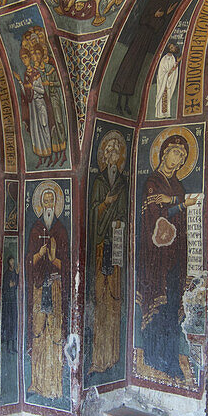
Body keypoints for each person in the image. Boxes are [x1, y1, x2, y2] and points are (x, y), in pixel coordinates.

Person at [138, 134, 200, 379]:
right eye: (176, 153)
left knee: (173, 305)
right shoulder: (153, 181)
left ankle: (170, 359)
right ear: (164, 153)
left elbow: (173, 210)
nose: (179, 159)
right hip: (156, 257)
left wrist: (175, 202)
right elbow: (155, 213)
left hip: (174, 254)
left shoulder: (177, 186)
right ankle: (155, 358)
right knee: (159, 304)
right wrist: (181, 204)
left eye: (183, 157)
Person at [88, 133, 128, 373]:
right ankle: (98, 358)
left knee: (114, 297)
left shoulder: (122, 182)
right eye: (110, 152)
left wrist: (119, 222)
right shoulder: (99, 182)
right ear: (104, 156)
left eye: (117, 152)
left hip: (117, 243)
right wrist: (104, 203)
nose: (113, 156)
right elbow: (93, 211)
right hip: (101, 245)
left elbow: (123, 212)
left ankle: (113, 357)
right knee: (100, 297)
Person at [26, 186, 69, 398]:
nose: (49, 204)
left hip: (55, 287)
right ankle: (36, 382)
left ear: (56, 204)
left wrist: (53, 259)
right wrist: (38, 254)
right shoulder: (35, 229)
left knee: (54, 333)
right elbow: (29, 261)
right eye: (46, 200)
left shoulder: (60, 230)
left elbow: (67, 264)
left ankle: (54, 384)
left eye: (53, 200)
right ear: (41, 205)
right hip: (38, 287)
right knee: (38, 332)